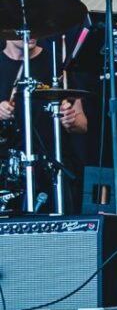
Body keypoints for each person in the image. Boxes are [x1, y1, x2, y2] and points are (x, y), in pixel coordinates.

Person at [0, 37, 89, 213]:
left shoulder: (56, 65)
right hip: (7, 173)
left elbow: (82, 124)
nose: (31, 33)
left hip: (51, 169)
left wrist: (71, 120)